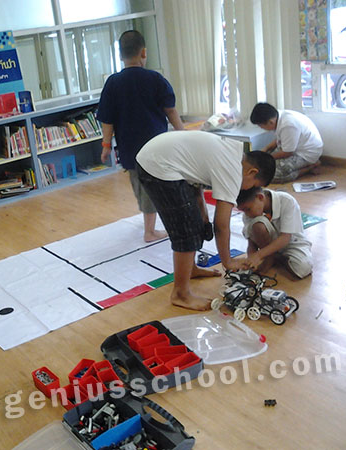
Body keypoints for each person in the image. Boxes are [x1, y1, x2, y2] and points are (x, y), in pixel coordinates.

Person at [136, 130, 276, 310]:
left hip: (161, 156)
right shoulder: (233, 171)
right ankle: (180, 294)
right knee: (186, 233)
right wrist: (227, 262)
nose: (249, 190)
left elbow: (196, 180)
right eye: (254, 185)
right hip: (158, 165)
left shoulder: (233, 153)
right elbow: (221, 225)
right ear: (252, 172)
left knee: (195, 224)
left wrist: (202, 215)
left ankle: (191, 269)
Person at [97, 30, 185, 243]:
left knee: (140, 185)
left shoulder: (113, 83)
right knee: (155, 186)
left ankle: (149, 222)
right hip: (156, 146)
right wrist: (183, 134)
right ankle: (150, 231)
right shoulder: (155, 79)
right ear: (144, 52)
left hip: (129, 148)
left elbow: (107, 119)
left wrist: (106, 145)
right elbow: (170, 110)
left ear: (120, 55)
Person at [236, 187, 313, 279]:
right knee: (258, 225)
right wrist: (250, 261)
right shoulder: (249, 212)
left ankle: (275, 257)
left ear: (260, 197)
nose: (247, 214)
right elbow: (251, 243)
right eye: (243, 211)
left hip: (292, 242)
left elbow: (285, 238)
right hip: (268, 246)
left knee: (303, 268)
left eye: (248, 209)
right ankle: (270, 258)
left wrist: (258, 255)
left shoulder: (287, 201)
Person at [250, 102, 323, 183]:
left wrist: (266, 158)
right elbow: (281, 139)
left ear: (270, 122)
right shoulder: (278, 116)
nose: (261, 128)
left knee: (270, 176)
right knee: (264, 165)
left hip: (306, 154)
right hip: (294, 148)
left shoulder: (288, 125)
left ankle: (311, 167)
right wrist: (265, 149)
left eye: (260, 126)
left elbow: (288, 152)